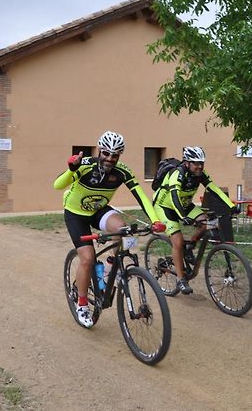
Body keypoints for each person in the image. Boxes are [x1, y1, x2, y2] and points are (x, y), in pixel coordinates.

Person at [54, 130, 165, 328]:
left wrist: (155, 220)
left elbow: (141, 196)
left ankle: (108, 267)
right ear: (99, 151)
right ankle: (81, 304)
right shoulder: (85, 165)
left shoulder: (122, 171)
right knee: (87, 258)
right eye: (106, 153)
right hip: (75, 213)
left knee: (122, 229)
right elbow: (57, 185)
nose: (110, 158)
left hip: (98, 210)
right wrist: (71, 169)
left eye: (115, 155)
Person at [153, 146, 238, 294]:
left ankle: (190, 245)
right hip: (165, 206)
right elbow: (174, 196)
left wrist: (231, 205)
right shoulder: (177, 174)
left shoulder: (200, 174)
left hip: (184, 204)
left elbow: (214, 189)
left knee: (207, 223)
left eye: (201, 163)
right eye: (195, 163)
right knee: (177, 240)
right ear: (186, 163)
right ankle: (181, 279)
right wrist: (182, 216)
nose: (199, 166)